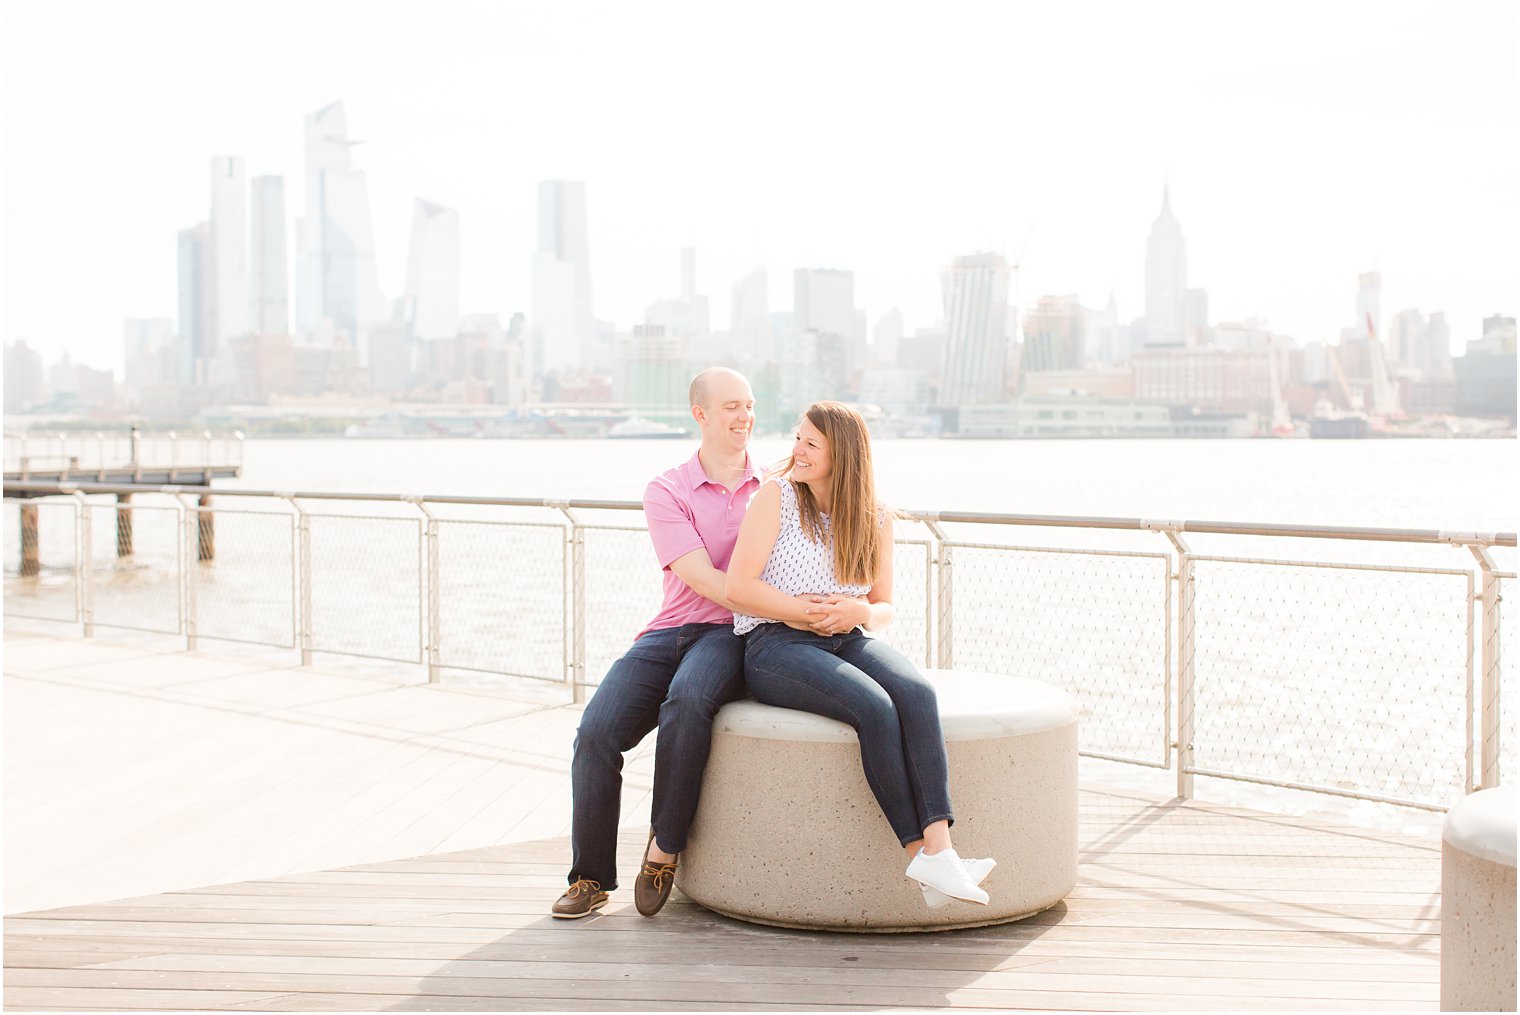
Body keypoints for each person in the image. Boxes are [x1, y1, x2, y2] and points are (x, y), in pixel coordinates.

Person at [724, 401, 994, 907]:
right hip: (776, 645)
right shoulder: (775, 497)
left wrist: (857, 611)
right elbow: (739, 587)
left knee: (915, 691)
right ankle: (923, 857)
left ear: (842, 454)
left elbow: (884, 605)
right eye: (798, 438)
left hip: (849, 637)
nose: (796, 450)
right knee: (873, 707)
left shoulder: (874, 515)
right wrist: (800, 613)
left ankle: (941, 850)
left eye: (810, 443)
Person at [553, 367, 764, 919]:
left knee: (688, 702)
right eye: (731, 407)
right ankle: (591, 877)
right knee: (595, 734)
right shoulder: (667, 489)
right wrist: (778, 605)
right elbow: (698, 576)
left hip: (729, 634)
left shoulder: (775, 488)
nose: (744, 417)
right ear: (700, 415)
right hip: (669, 629)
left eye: (749, 405)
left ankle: (662, 849)